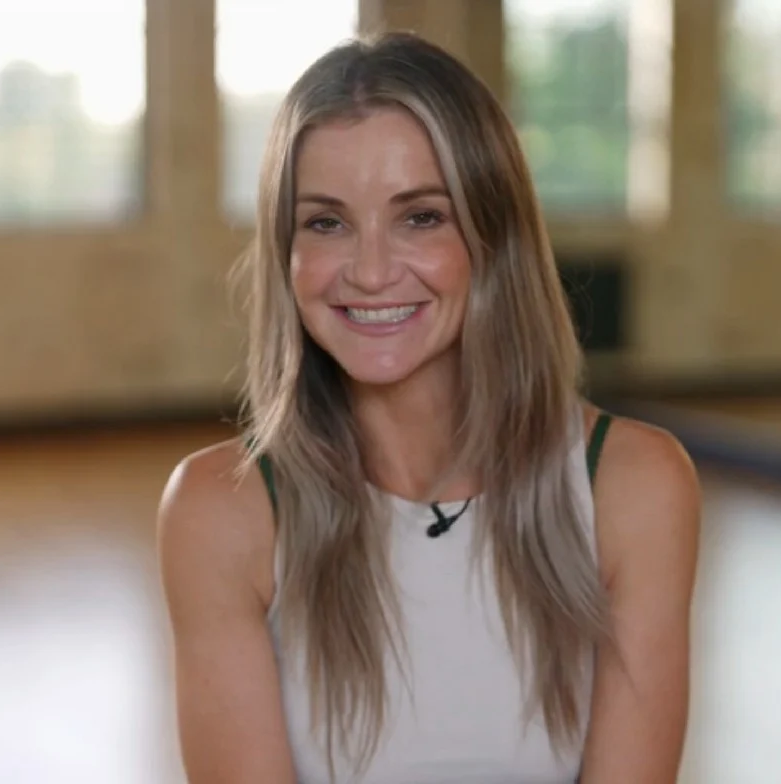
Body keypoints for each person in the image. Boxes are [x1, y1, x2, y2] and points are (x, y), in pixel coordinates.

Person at [157, 31, 700, 784]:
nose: (371, 271)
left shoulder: (632, 485)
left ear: (494, 236)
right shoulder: (222, 511)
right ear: (287, 253)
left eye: (420, 217)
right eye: (326, 222)